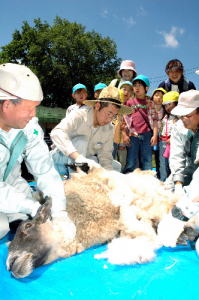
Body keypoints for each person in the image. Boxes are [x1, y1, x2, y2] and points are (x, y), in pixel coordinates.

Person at [0, 63, 73, 239]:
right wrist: (32, 207)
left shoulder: (28, 128)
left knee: (21, 218)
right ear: (7, 105)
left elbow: (45, 170)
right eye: (28, 108)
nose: (33, 114)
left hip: (12, 189)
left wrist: (59, 212)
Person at [50, 86, 133, 176]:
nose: (110, 119)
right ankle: (77, 181)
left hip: (84, 161)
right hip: (60, 161)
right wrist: (78, 157)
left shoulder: (109, 129)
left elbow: (105, 157)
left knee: (115, 167)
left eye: (114, 115)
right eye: (109, 113)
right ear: (97, 106)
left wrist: (109, 178)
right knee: (81, 141)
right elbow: (56, 133)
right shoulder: (79, 115)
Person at [157, 90, 199, 248]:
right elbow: (176, 156)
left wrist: (184, 210)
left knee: (191, 199)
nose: (183, 119)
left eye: (187, 115)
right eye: (181, 115)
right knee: (166, 192)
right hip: (187, 169)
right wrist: (178, 185)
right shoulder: (179, 126)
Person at [122, 75, 158, 173]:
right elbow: (124, 121)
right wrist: (124, 135)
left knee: (147, 161)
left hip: (147, 135)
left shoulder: (150, 103)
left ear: (146, 88)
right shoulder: (129, 103)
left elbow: (155, 120)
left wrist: (155, 135)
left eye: (140, 85)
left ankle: (147, 183)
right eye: (135, 85)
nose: (137, 88)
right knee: (131, 160)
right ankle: (129, 182)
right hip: (133, 135)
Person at [158, 91, 179, 181]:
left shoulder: (180, 117)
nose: (167, 107)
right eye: (165, 105)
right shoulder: (165, 117)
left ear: (177, 103)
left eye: (169, 104)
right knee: (163, 164)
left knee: (173, 163)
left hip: (173, 143)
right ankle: (163, 181)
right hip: (163, 142)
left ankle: (174, 182)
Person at [113, 81, 134, 168]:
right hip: (112, 140)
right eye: (124, 89)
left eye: (129, 90)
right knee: (111, 160)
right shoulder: (114, 105)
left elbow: (127, 125)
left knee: (122, 162)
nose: (126, 92)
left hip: (123, 141)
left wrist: (123, 142)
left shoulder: (131, 107)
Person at [151, 88, 167, 178]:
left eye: (162, 96)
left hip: (161, 138)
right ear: (152, 97)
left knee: (160, 158)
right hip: (150, 135)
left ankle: (162, 177)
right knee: (150, 157)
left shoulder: (166, 110)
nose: (159, 98)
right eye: (156, 95)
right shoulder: (149, 108)